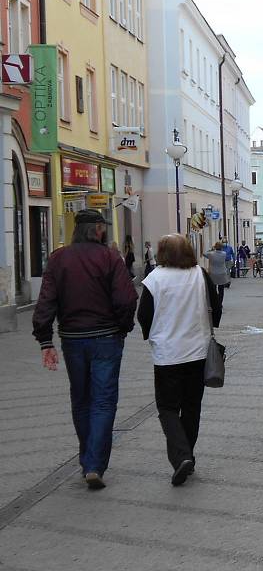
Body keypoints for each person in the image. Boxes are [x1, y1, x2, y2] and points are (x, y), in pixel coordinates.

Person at [32, 209, 138, 490]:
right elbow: (127, 299)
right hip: (106, 337)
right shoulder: (110, 258)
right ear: (98, 230)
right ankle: (94, 463)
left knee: (81, 399)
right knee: (103, 401)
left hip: (72, 339)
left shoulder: (58, 258)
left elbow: (46, 301)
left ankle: (87, 459)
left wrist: (45, 340)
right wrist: (123, 327)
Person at [137, 234, 222, 486]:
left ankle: (182, 455)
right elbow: (215, 308)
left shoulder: (155, 279)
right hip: (197, 351)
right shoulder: (199, 274)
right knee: (192, 406)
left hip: (167, 354)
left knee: (168, 407)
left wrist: (152, 335)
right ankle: (188, 455)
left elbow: (144, 315)